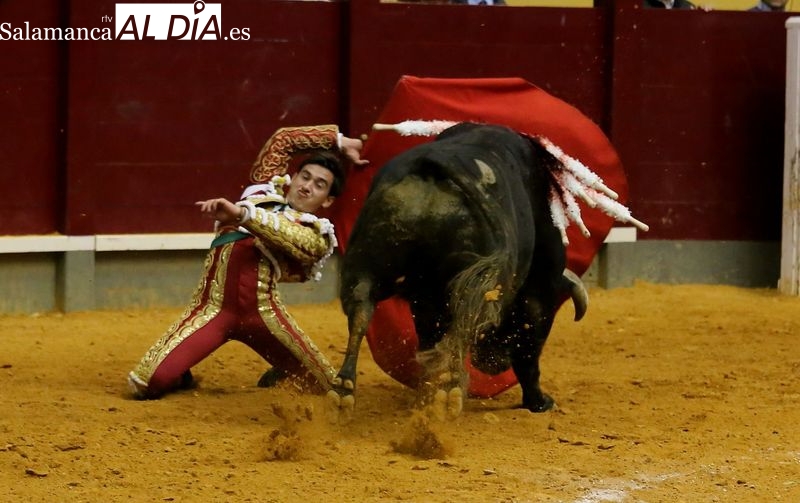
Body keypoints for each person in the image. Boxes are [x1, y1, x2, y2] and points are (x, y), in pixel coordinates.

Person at [127, 125, 368, 399]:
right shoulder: (263, 188)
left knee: (331, 391)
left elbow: (289, 236)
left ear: (328, 200)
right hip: (211, 308)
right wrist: (337, 141)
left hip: (262, 316)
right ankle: (180, 370)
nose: (307, 186)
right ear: (295, 177)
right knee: (145, 382)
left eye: (319, 185)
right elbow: (284, 140)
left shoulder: (318, 233)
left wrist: (241, 215)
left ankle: (286, 369)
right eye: (305, 176)